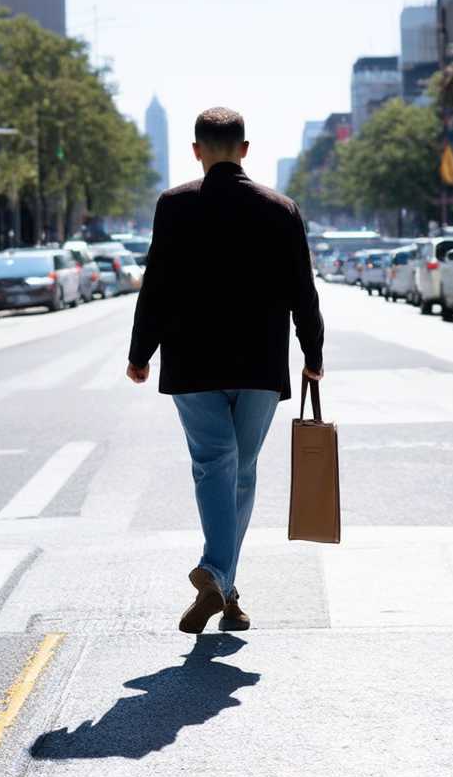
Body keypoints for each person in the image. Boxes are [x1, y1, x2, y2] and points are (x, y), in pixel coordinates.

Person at [125, 106, 324, 635]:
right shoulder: (281, 209)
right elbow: (302, 290)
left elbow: (157, 284)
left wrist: (140, 352)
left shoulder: (173, 205)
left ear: (196, 150)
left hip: (193, 363)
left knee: (214, 464)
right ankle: (224, 587)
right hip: (260, 363)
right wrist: (314, 354)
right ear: (244, 149)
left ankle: (217, 575)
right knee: (242, 472)